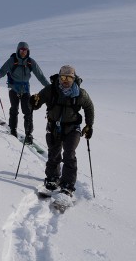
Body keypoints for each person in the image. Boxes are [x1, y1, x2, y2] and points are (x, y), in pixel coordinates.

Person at [30, 65, 95, 197]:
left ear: (73, 78)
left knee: (69, 154)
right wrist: (33, 102)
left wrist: (89, 125)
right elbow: (37, 103)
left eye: (69, 78)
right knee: (54, 153)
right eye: (63, 77)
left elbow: (89, 107)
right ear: (59, 78)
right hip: (54, 127)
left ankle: (67, 185)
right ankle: (53, 179)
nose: (65, 81)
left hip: (73, 128)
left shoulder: (80, 93)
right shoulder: (51, 90)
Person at [0, 41, 49, 144]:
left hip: (25, 90)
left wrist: (49, 87)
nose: (23, 52)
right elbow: (2, 71)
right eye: (21, 50)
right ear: (18, 50)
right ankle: (13, 130)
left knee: (28, 112)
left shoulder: (30, 62)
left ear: (28, 51)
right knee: (14, 110)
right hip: (13, 89)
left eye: (25, 50)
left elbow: (40, 76)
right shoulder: (12, 60)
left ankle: (28, 134)